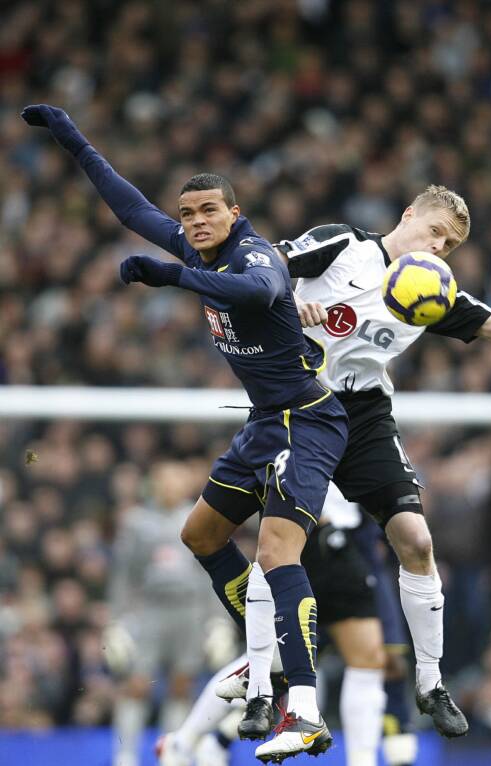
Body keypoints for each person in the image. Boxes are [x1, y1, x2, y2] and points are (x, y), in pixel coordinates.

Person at [227, 184, 491, 742]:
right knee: (277, 545)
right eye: (435, 232)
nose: (439, 247)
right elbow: (266, 267)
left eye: (449, 244)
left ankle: (430, 683)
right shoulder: (341, 244)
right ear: (407, 216)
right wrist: (286, 300)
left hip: (365, 413)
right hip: (298, 404)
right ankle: (259, 694)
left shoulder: (433, 295)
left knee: (417, 541)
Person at [21, 104, 349, 764]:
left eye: (208, 211)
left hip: (309, 422)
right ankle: (268, 665)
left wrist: (169, 275)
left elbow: (258, 293)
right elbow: (133, 212)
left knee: (277, 556)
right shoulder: (200, 245)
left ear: (234, 212)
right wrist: (73, 138)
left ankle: (304, 705)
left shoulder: (255, 255)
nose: (195, 222)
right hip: (264, 422)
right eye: (189, 212)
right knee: (199, 535)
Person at [159, 483, 390, 766]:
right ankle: (185, 741)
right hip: (298, 534)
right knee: (272, 663)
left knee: (367, 659)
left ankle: (363, 761)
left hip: (345, 542)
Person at [104, 461, 221, 766]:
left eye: (176, 481)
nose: (171, 488)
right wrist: (116, 620)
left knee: (182, 683)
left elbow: (209, 571)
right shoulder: (136, 520)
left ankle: (172, 751)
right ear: (153, 485)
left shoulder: (197, 517)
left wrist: (217, 620)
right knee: (137, 682)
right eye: (165, 481)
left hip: (190, 608)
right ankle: (126, 754)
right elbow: (123, 574)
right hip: (150, 607)